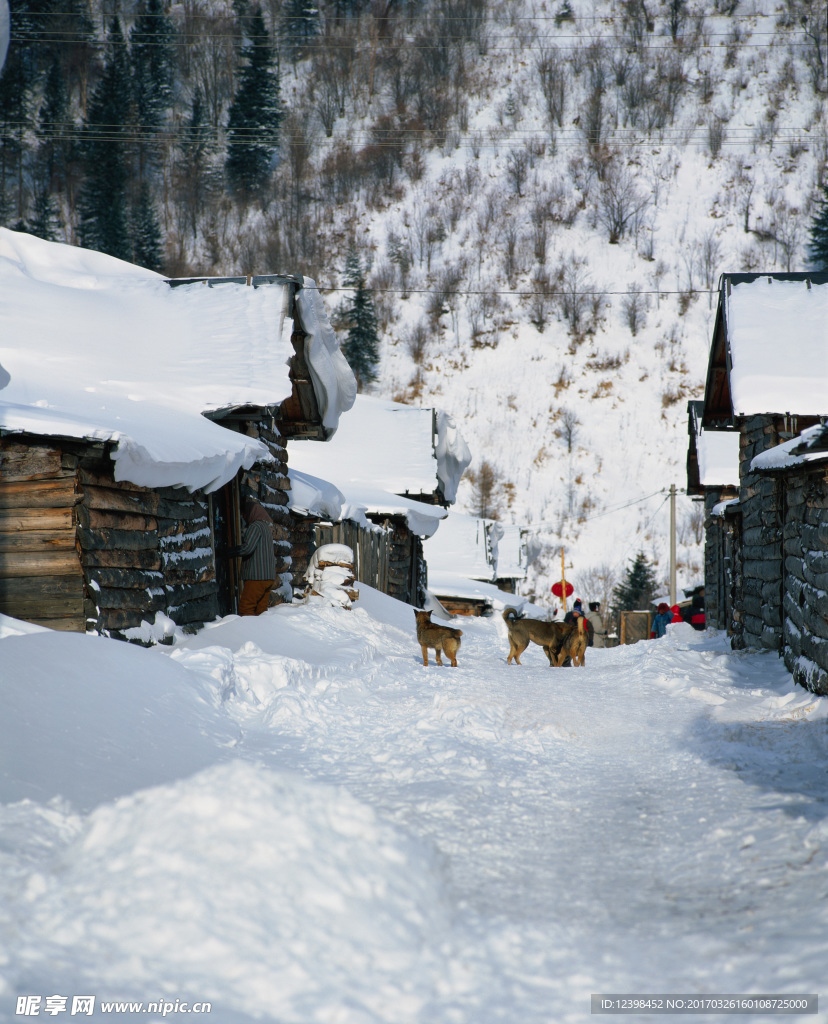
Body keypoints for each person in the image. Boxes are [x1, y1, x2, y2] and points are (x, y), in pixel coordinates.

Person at [227, 497, 277, 616]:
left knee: (246, 608)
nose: (244, 516)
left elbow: (247, 548)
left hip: (257, 576)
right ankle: (261, 633)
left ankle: (248, 634)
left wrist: (231, 551)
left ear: (251, 513)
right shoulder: (266, 528)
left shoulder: (255, 527)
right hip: (268, 576)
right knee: (261, 611)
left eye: (245, 513)